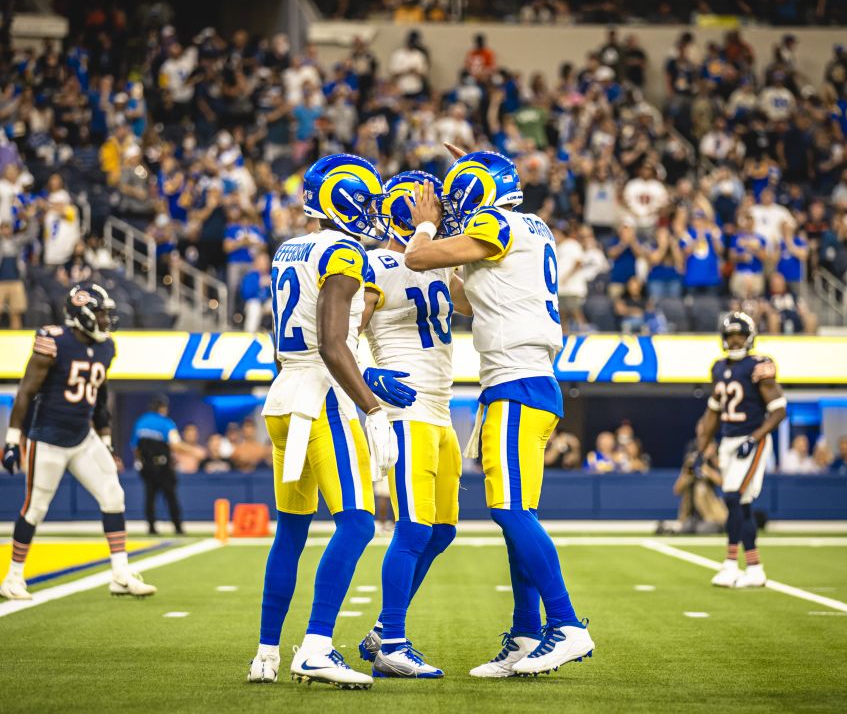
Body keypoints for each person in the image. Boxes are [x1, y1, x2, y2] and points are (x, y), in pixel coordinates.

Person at [406, 146, 594, 677]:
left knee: (510, 513)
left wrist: (423, 227)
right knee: (518, 517)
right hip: (527, 382)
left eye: (458, 194)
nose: (452, 206)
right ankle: (525, 634)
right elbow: (474, 299)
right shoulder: (529, 229)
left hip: (516, 384)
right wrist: (475, 166)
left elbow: (420, 258)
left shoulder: (497, 223)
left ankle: (566, 624)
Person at [247, 154, 399, 689]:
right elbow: (334, 344)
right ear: (346, 199)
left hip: (284, 396)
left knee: (290, 530)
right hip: (322, 400)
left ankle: (266, 652)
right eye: (370, 198)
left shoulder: (290, 249)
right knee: (357, 523)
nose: (376, 208)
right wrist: (373, 409)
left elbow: (296, 341)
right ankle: (315, 645)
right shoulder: (342, 250)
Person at [355, 170, 471, 679]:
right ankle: (394, 640)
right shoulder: (373, 263)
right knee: (413, 526)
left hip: (441, 411)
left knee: (442, 531)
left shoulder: (440, 261)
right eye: (434, 205)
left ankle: (384, 629)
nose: (441, 212)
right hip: (405, 408)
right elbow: (344, 331)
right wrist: (366, 371)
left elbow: (473, 303)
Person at [0, 283, 156, 601]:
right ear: (80, 315)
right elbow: (26, 391)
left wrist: (107, 442)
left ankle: (120, 574)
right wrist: (13, 439)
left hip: (83, 436)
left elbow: (100, 398)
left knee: (113, 495)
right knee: (35, 509)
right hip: (48, 438)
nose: (106, 320)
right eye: (99, 313)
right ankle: (12, 578)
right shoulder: (53, 342)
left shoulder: (106, 347)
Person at [694, 312, 786, 589]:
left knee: (733, 497)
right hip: (728, 441)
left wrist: (754, 438)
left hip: (752, 439)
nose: (734, 341)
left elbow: (779, 410)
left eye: (739, 336)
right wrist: (702, 448)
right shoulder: (719, 368)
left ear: (749, 337)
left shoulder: (759, 366)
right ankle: (755, 568)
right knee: (741, 503)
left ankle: (731, 564)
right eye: (730, 336)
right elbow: (712, 414)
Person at [131, 395, 183, 536]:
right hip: (163, 466)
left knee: (149, 497)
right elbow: (175, 444)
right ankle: (178, 527)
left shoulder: (141, 421)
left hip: (147, 467)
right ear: (162, 408)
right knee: (171, 497)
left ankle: (151, 527)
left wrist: (141, 462)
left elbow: (135, 448)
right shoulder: (166, 423)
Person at [671, 442, 727, 534]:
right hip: (692, 516)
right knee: (687, 527)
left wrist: (704, 467)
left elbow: (721, 482)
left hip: (710, 515)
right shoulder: (688, 473)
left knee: (703, 529)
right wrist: (688, 472)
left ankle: (720, 526)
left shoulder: (710, 468)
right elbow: (676, 490)